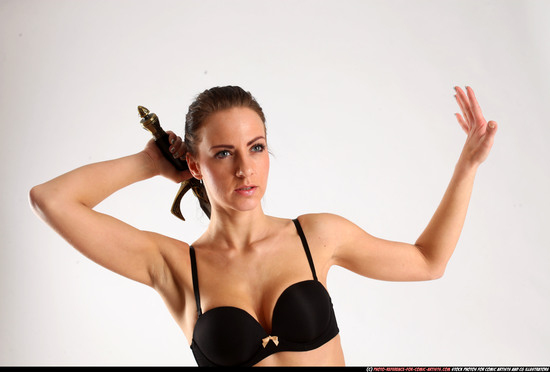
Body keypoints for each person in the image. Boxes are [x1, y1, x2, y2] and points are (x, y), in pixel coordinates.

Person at [29, 85, 497, 366]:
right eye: (223, 153)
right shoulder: (173, 265)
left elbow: (428, 261)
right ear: (194, 165)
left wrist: (468, 166)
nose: (245, 170)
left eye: (256, 148)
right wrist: (149, 161)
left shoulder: (316, 236)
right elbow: (51, 200)